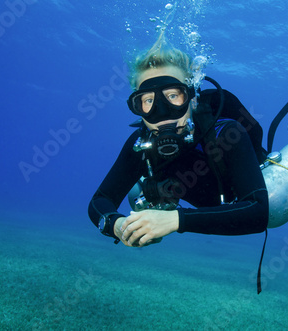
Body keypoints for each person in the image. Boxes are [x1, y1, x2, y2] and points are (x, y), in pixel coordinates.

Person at [88, 32, 269, 247]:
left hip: (249, 185)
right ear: (137, 107)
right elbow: (99, 201)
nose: (162, 113)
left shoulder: (227, 134)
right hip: (191, 197)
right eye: (148, 101)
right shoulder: (141, 145)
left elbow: (258, 214)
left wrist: (176, 220)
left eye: (173, 95)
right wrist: (118, 227)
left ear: (192, 99)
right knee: (138, 194)